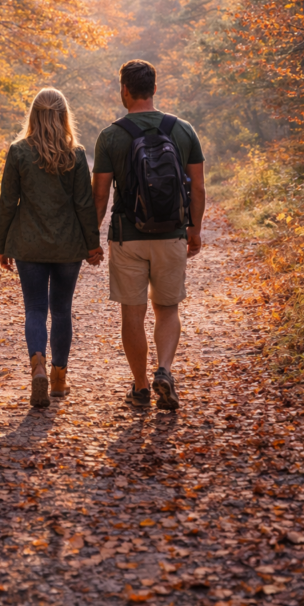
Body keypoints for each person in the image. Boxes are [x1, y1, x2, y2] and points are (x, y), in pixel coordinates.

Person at [92, 59, 205, 410]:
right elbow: (198, 187)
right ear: (154, 89)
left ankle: (140, 387)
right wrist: (194, 229)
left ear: (124, 90)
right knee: (168, 308)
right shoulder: (183, 130)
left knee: (133, 313)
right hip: (171, 233)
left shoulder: (111, 135)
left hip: (128, 237)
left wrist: (91, 238)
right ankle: (165, 371)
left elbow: (101, 194)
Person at [0, 88, 104, 407]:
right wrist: (92, 245)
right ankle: (58, 381)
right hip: (68, 246)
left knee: (34, 309)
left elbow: (7, 202)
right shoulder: (75, 153)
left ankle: (38, 368)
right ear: (63, 115)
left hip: (28, 245)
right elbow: (85, 204)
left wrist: (2, 244)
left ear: (33, 114)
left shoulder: (18, 151)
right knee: (60, 311)